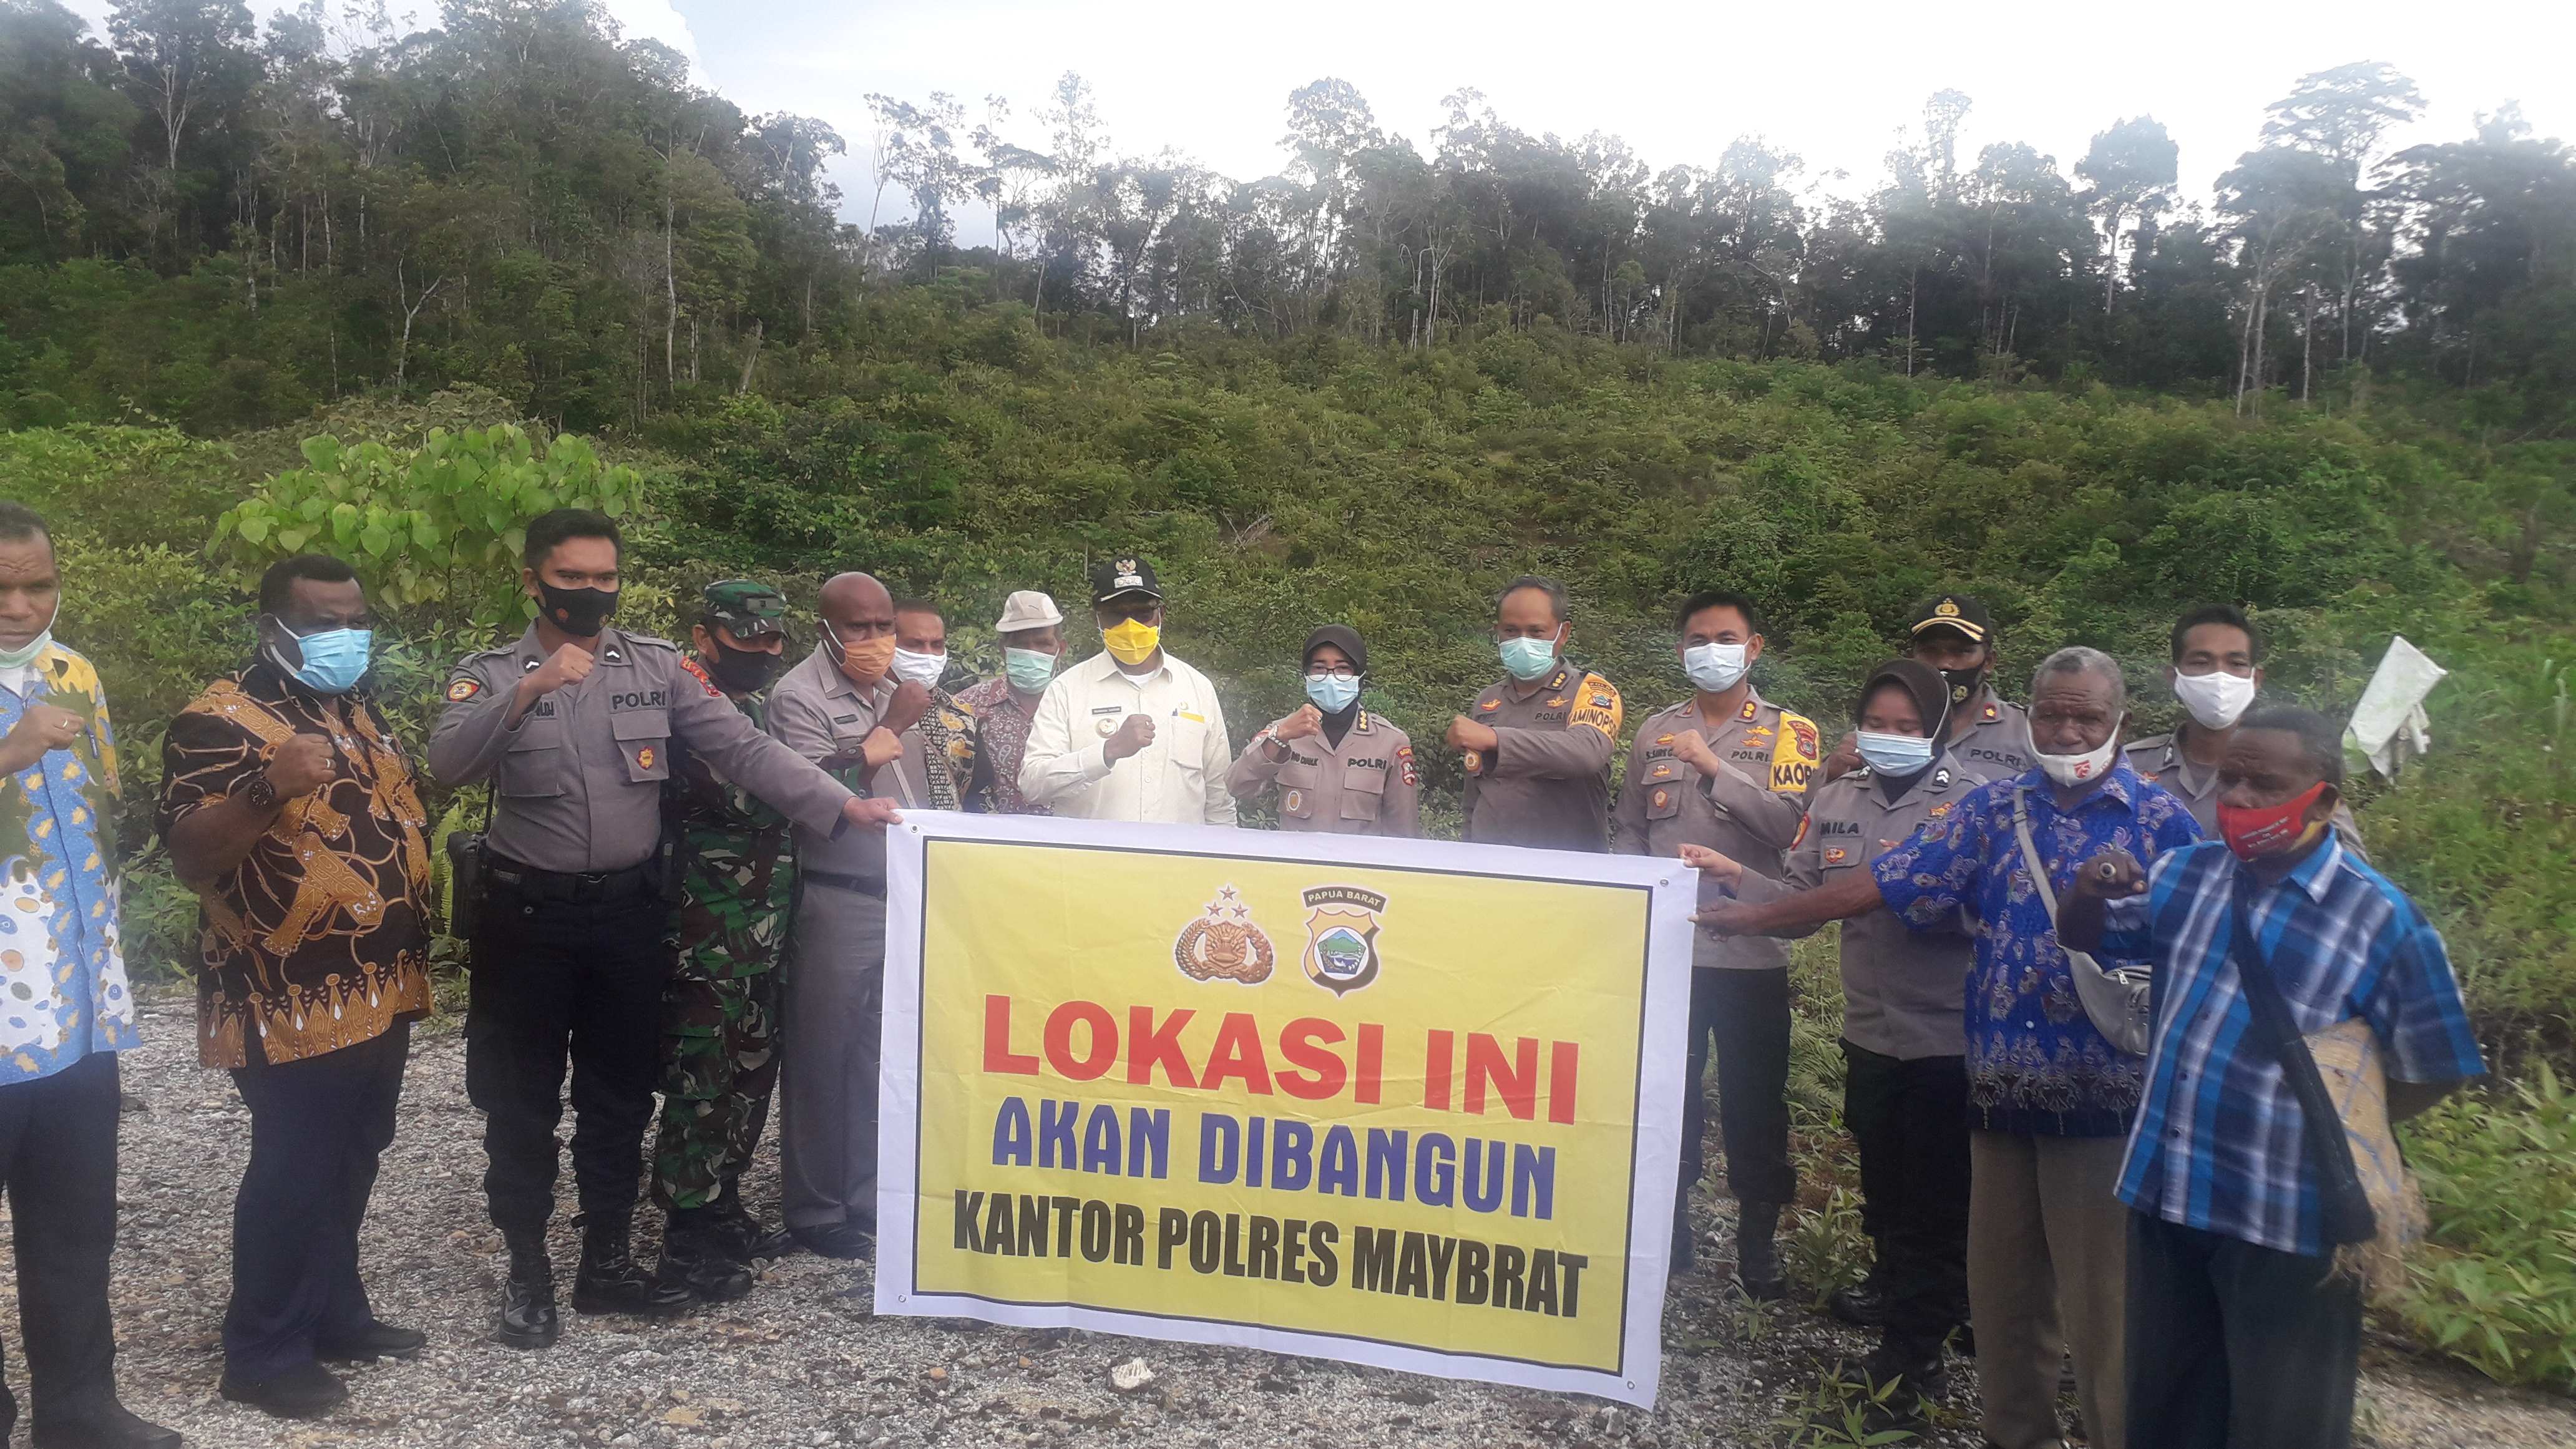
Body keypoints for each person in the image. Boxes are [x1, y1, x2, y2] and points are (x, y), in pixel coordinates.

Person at [1699, 647, 2201, 1449]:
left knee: (2106, 1315)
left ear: (2121, 724)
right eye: (2054, 713)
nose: (2068, 730)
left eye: (2088, 717)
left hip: (2105, 1103)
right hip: (1997, 1090)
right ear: (2030, 714)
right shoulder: (1995, 811)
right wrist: (1753, 911)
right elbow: (1883, 884)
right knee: (2006, 1304)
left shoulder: (2166, 826)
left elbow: (2198, 962)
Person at [429, 512, 898, 1348]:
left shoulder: (656, 667)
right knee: (522, 1100)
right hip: (525, 920)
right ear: (534, 581)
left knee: (616, 1098)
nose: (591, 592)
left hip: (626, 916)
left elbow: (747, 751)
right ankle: (528, 1273)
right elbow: (447, 763)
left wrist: (843, 803)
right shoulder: (491, 671)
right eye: (571, 578)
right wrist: (529, 690)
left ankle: (605, 1262)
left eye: (604, 577)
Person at [2063, 707, 2484, 1449]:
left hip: (2291, 1221)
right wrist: (2089, 890)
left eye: (2268, 783)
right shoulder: (2186, 874)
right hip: (2170, 1195)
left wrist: (2334, 1123)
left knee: (2282, 1426)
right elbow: (2082, 934)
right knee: (2164, 1413)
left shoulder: (2381, 919)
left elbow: (2436, 1067)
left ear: (2324, 799)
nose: (2244, 796)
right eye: (2232, 776)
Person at [156, 556, 433, 1420]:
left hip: (379, 980)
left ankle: (333, 1310)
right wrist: (269, 783)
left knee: (356, 1149)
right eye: (319, 622)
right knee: (295, 1162)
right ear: (272, 623)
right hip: (286, 992)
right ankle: (265, 1349)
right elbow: (192, 853)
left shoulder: (353, 706)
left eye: (352, 618)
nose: (340, 637)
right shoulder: (216, 721)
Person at [1687, 659, 1986, 1415]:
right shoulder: (1838, 798)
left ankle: (1916, 1361)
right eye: (1877, 724)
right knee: (1885, 1188)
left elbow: (1977, 914)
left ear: (1939, 729)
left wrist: (1887, 895)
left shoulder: (1977, 806)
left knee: (1936, 1201)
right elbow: (1804, 902)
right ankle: (1903, 1311)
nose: (1888, 738)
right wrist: (1734, 874)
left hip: (1948, 1036)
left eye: (1907, 727)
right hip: (1870, 1032)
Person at [0, 504, 178, 1449]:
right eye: (2, 589)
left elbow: (101, 821)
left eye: (39, 584)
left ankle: (78, 1407)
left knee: (75, 1221)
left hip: (72, 1010)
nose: (23, 607)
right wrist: (11, 753)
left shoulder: (76, 673)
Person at [1609, 591, 1815, 1294]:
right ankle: (1672, 1233)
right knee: (1668, 1098)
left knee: (1755, 1100)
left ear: (1754, 647)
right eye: (1698, 639)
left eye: (1725, 637)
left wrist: (1714, 770)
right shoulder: (1653, 731)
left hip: (1754, 953)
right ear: (1680, 652)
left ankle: (1758, 1244)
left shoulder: (1791, 734)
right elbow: (1631, 827)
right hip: (1671, 956)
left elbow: (1793, 827)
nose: (1711, 649)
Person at [764, 572, 932, 1256]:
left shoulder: (903, 690)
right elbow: (808, 793)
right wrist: (889, 726)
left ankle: (867, 1198)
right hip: (836, 896)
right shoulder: (797, 698)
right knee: (820, 1056)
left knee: (879, 1056)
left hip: (905, 897)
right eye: (858, 628)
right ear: (826, 629)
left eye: (883, 626)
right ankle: (815, 1210)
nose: (874, 641)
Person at [648, 582, 804, 1303]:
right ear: (706, 634)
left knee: (752, 1066)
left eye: (772, 641)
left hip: (760, 926)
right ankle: (685, 1231)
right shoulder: (687, 700)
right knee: (701, 1077)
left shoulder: (754, 705)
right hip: (705, 928)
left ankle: (725, 1203)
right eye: (746, 640)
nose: (763, 653)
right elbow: (754, 793)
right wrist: (852, 762)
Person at [2125, 605, 2363, 851]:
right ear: (2173, 677)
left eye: (2236, 663)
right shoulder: (2131, 766)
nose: (2219, 677)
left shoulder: (2295, 769)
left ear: (2256, 679)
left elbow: (2345, 866)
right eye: (2201, 662)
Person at [1018, 557, 1236, 826]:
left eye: (1142, 613)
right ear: (1097, 619)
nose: (1130, 625)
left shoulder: (1198, 688)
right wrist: (1106, 752)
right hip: (1093, 862)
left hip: (1178, 863)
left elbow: (1219, 796)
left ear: (1161, 615)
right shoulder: (1066, 690)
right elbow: (1033, 784)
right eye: (1116, 614)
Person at [1448, 576, 1623, 851]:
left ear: (1562, 634)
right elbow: (1474, 794)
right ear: (1497, 632)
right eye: (1511, 630)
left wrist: (1496, 740)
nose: (1522, 641)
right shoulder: (1487, 701)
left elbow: (1587, 752)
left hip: (1567, 871)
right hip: (1491, 864)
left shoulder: (1591, 690)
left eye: (1536, 632)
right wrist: (1469, 852)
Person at [1226, 625, 1422, 836]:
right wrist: (1279, 737)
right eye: (1319, 668)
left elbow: (1404, 833)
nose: (1331, 678)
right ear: (1306, 676)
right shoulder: (1283, 732)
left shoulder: (1390, 742)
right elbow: (1237, 787)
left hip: (1358, 868)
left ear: (1360, 677)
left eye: (1343, 669)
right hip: (1297, 866)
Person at [1823, 594, 2034, 789]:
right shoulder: (1875, 732)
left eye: (1961, 651)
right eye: (1930, 651)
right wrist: (1831, 775)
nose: (1944, 663)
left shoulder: (2028, 732)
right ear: (1912, 658)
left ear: (1989, 661)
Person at [954, 590, 1065, 815]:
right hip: (992, 843)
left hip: (1067, 842)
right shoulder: (969, 706)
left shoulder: (1078, 703)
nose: (1032, 653)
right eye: (1022, 645)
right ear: (1002, 650)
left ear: (1060, 649)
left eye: (1043, 644)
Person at [887, 598, 982, 811]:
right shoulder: (865, 708)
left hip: (948, 840)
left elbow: (978, 793)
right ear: (887, 644)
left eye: (937, 645)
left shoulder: (963, 716)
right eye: (914, 644)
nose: (928, 654)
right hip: (883, 837)